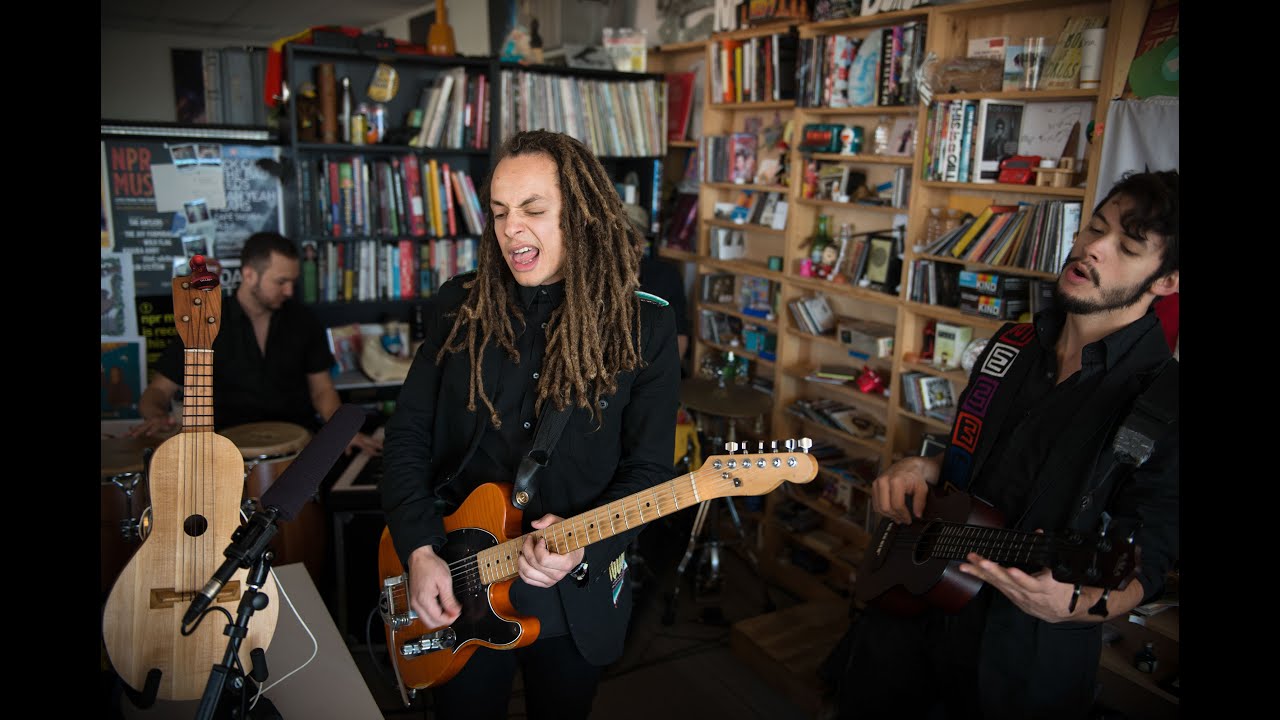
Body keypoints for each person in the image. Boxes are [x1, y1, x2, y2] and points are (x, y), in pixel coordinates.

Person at [833, 170, 1180, 719]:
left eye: (1127, 246)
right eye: (1095, 226)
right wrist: (920, 467)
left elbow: (1151, 553)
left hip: (1020, 658)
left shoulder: (1165, 402)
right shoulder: (1010, 344)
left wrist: (1082, 605)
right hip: (911, 617)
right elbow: (970, 459)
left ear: (1166, 280)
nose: (1092, 247)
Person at [380, 130, 681, 720]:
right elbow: (407, 436)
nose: (511, 228)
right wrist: (418, 549)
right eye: (499, 212)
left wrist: (586, 544)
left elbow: (649, 469)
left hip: (575, 594)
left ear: (584, 216)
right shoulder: (457, 307)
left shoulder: (645, 327)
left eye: (534, 210)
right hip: (455, 582)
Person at [132, 231, 383, 456]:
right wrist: (156, 416)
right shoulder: (204, 322)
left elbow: (322, 391)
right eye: (281, 282)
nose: (289, 291)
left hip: (298, 449)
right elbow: (157, 391)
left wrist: (341, 431)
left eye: (292, 283)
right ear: (250, 275)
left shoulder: (303, 320)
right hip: (225, 455)